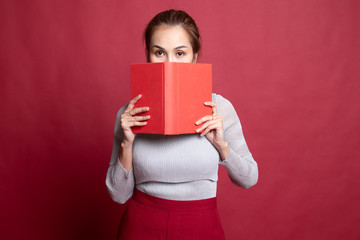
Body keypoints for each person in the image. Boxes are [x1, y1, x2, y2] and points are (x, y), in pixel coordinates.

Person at [106, 9, 258, 239]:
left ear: (194, 57)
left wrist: (222, 146)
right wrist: (127, 143)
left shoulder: (219, 108)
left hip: (201, 226)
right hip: (141, 227)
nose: (170, 63)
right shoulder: (129, 115)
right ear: (148, 55)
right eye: (159, 52)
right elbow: (118, 195)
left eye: (180, 53)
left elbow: (249, 179)